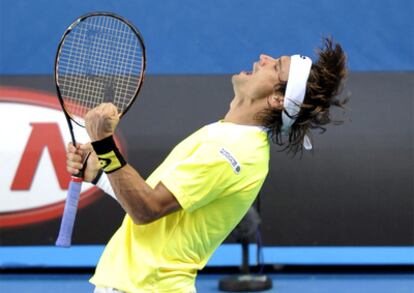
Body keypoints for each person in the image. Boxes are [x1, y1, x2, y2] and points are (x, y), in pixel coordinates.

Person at [66, 37, 348, 293]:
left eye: (276, 67)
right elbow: (156, 209)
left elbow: (147, 209)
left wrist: (105, 145)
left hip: (146, 286)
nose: (264, 57)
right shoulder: (228, 135)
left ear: (277, 99)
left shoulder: (234, 151)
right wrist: (101, 173)